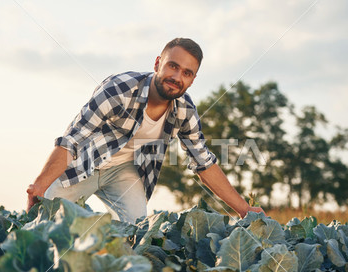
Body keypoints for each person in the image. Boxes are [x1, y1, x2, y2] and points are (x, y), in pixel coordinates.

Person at [26, 38, 264, 224]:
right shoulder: (118, 89)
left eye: (187, 73)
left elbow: (204, 164)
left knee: (137, 233)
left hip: (127, 172)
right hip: (85, 164)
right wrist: (39, 185)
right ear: (158, 63)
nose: (177, 77)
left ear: (192, 80)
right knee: (43, 222)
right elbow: (72, 141)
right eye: (173, 66)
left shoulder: (185, 111)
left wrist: (245, 209)